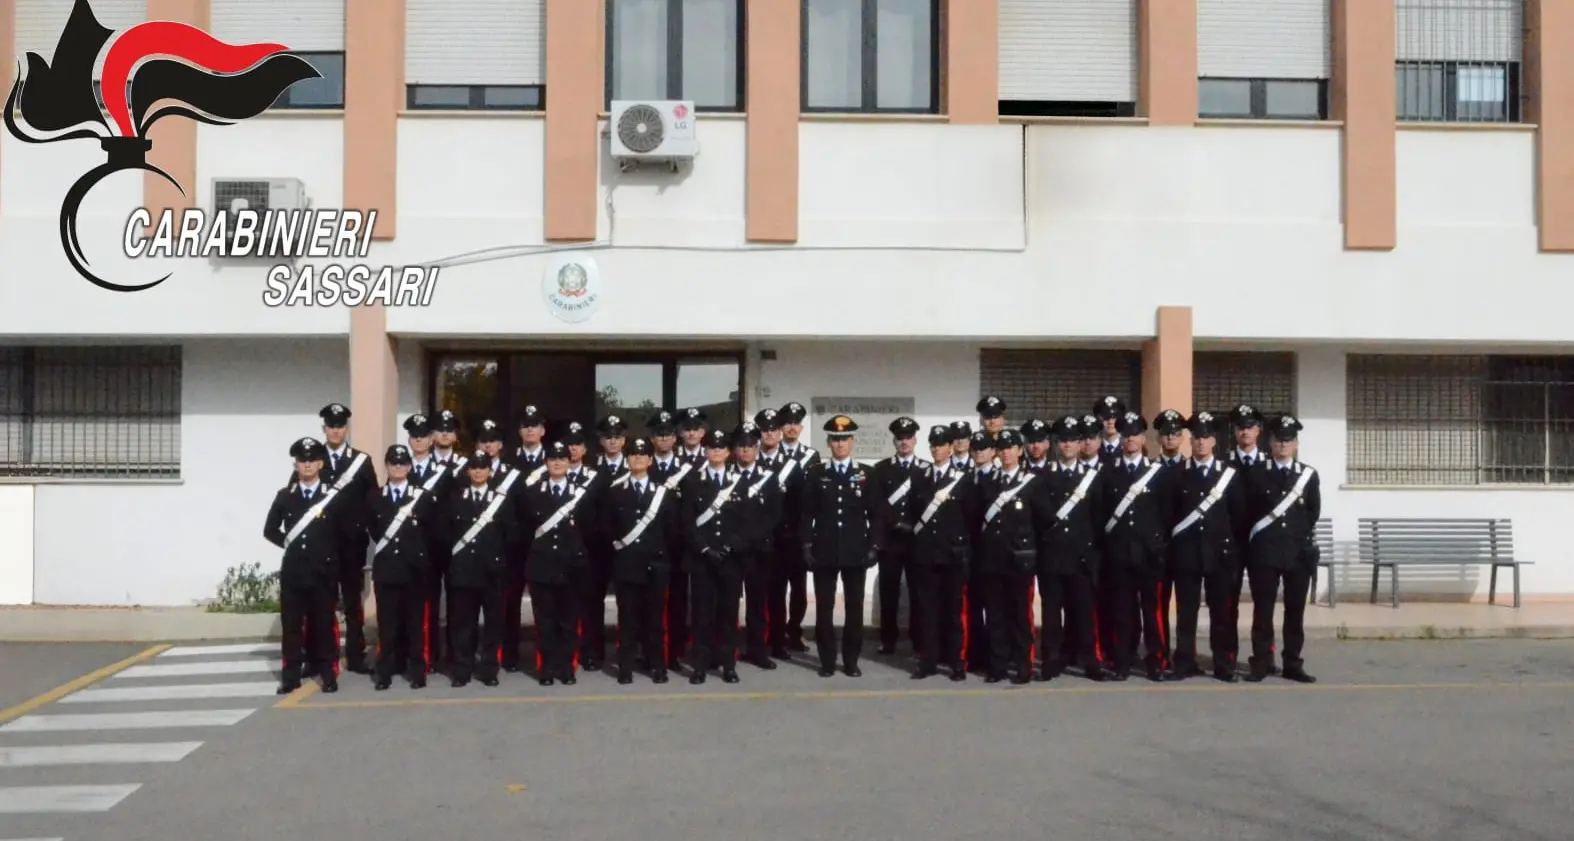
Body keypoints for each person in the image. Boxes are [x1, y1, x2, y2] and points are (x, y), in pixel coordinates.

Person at [264, 437, 353, 694]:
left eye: (312, 460)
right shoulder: (285, 496)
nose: (307, 465)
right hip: (294, 573)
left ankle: (328, 674)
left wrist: (329, 557)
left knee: (323, 626)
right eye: (302, 461)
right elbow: (269, 530)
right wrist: (290, 546)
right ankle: (290, 677)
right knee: (291, 628)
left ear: (320, 463)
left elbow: (344, 533)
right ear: (296, 464)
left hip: (322, 573)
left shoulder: (332, 497)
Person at [800, 415, 884, 677]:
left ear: (852, 441)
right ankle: (826, 660)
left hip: (855, 552)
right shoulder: (816, 474)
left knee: (854, 608)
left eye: (845, 439)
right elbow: (806, 513)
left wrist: (874, 547)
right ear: (828, 443)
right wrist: (805, 545)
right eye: (835, 440)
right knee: (824, 610)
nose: (840, 445)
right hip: (824, 551)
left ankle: (851, 660)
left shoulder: (866, 474)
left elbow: (876, 515)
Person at [1166, 411, 1244, 682]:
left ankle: (1223, 664)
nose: (1200, 442)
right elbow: (1170, 514)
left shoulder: (1229, 475)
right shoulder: (1178, 473)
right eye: (1196, 437)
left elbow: (1238, 516)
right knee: (1186, 612)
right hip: (1186, 553)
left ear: (1215, 441)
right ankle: (1184, 662)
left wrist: (1229, 548)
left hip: (1219, 555)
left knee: (1221, 613)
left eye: (1206, 437)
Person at [1243, 414, 1320, 684]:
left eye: (1288, 440)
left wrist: (1296, 538)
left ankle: (1292, 663)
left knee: (1294, 611)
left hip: (1297, 554)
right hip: (1265, 552)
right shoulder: (1256, 473)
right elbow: (1247, 512)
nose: (1283, 445)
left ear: (1296, 444)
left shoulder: (1308, 476)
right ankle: (1261, 662)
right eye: (1278, 440)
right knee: (1263, 611)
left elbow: (1312, 512)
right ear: (1271, 443)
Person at [1097, 412, 1172, 681]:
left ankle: (1156, 661)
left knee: (1152, 612)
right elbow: (1100, 511)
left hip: (1149, 554)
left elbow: (1166, 513)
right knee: (1122, 611)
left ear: (1143, 438)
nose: (1130, 439)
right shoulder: (1109, 472)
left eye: (1135, 434)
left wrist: (1157, 544)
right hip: (1118, 553)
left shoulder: (1157, 473)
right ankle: (1123, 661)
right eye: (1126, 435)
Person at [1033, 416, 1107, 682]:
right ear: (1057, 444)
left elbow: (1098, 520)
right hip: (1052, 558)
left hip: (1081, 558)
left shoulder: (1092, 478)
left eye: (1072, 440)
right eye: (1062, 440)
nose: (1067, 445)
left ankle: (1089, 660)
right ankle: (1052, 660)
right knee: (1052, 614)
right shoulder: (1043, 476)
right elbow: (1039, 518)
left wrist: (1093, 555)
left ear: (1079, 444)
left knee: (1084, 614)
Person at [602, 437, 678, 684]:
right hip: (626, 565)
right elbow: (606, 527)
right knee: (627, 619)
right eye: (633, 454)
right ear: (627, 460)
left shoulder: (662, 492)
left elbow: (671, 530)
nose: (637, 458)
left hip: (655, 564)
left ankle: (657, 665)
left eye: (642, 454)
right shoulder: (615, 492)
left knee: (654, 619)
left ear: (650, 460)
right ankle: (625, 667)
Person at [681, 429, 752, 683]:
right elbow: (687, 523)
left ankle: (728, 665)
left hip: (731, 561)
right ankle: (700, 665)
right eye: (712, 448)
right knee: (702, 616)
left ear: (728, 452)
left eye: (721, 448)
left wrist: (732, 545)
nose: (716, 452)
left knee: (728, 615)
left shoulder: (739, 481)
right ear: (705, 451)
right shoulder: (693, 482)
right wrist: (704, 549)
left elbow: (746, 521)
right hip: (702, 560)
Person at [520, 442, 592, 686]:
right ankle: (546, 669)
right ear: (546, 463)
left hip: (573, 568)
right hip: (542, 566)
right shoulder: (533, 493)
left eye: (562, 458)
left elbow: (591, 529)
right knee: (545, 622)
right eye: (552, 459)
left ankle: (567, 668)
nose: (557, 462)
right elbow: (523, 531)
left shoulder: (581, 494)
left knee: (569, 621)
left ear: (569, 462)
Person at [908, 424, 977, 680]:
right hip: (926, 555)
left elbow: (970, 518)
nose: (937, 449)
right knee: (928, 611)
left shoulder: (963, 479)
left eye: (942, 444)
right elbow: (914, 514)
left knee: (953, 612)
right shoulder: (920, 477)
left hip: (952, 556)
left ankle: (957, 662)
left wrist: (963, 551)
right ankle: (929, 661)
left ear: (951, 448)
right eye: (934, 444)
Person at [313, 403, 377, 676]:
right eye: (331, 426)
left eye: (339, 426)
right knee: (322, 603)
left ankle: (355, 654)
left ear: (346, 428)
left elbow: (373, 500)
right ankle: (322, 656)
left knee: (352, 603)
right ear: (324, 429)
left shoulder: (361, 461)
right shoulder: (312, 459)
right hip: (322, 545)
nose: (335, 430)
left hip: (352, 545)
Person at [367, 444, 436, 690]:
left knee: (416, 625)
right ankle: (384, 671)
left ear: (409, 467)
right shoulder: (375, 496)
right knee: (387, 625)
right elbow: (375, 531)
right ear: (386, 466)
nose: (397, 467)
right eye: (393, 463)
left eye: (402, 463)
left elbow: (431, 532)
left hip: (414, 570)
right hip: (387, 570)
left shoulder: (422, 497)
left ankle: (417, 671)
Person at [446, 454, 514, 688]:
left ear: (490, 471)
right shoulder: (455, 498)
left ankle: (489, 669)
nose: (477, 472)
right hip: (464, 570)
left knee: (493, 624)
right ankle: (462, 669)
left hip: (492, 571)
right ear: (467, 471)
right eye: (473, 468)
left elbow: (510, 533)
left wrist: (499, 559)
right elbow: (445, 533)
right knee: (463, 624)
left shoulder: (501, 500)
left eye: (482, 468)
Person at [977, 429, 1037, 684]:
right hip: (992, 559)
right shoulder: (987, 483)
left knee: (1020, 616)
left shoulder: (1032, 482)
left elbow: (1041, 521)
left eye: (1011, 447)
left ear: (1020, 451)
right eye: (1002, 448)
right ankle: (997, 665)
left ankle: (1023, 665)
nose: (1006, 452)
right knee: (996, 615)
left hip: (1019, 561)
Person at [1226, 403, 1275, 673]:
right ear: (1234, 432)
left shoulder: (1269, 465)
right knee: (1228, 604)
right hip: (1232, 543)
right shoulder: (1224, 464)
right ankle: (1229, 655)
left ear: (1258, 431)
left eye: (1250, 427)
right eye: (1240, 427)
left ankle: (1263, 657)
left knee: (1263, 604)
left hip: (1261, 545)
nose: (1245, 432)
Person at [872, 416, 927, 656]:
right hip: (891, 540)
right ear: (894, 441)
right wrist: (895, 523)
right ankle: (888, 639)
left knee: (919, 592)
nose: (904, 442)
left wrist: (912, 525)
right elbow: (877, 506)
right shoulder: (882, 469)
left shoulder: (926, 469)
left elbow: (927, 504)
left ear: (915, 440)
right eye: (900, 438)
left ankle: (918, 638)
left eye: (908, 438)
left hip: (916, 540)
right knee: (889, 593)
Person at [580, 414, 630, 671]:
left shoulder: (635, 465)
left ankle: (628, 652)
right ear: (600, 440)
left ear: (624, 440)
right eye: (608, 436)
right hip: (596, 547)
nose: (613, 441)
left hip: (626, 546)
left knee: (628, 602)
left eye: (617, 436)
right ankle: (593, 651)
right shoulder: (590, 467)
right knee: (591, 601)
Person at [733, 422, 783, 670]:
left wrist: (752, 539)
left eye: (750, 446)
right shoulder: (725, 476)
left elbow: (773, 515)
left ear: (757, 448)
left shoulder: (768, 479)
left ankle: (757, 650)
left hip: (759, 551)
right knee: (726, 604)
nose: (745, 451)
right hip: (730, 551)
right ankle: (726, 649)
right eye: (741, 446)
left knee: (757, 605)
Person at [648, 410, 696, 670]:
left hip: (677, 547)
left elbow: (691, 508)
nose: (664, 439)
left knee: (677, 601)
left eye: (667, 434)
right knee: (649, 603)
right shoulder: (643, 465)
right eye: (658, 434)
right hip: (648, 547)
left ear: (675, 438)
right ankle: (649, 651)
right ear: (652, 438)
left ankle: (675, 652)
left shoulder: (685, 470)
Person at [756, 407, 804, 659]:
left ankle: (777, 642)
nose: (770, 434)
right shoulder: (748, 462)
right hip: (754, 540)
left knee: (777, 594)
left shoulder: (792, 467)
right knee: (755, 594)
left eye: (774, 429)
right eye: (765, 430)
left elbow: (798, 506)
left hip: (782, 541)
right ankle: (755, 643)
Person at [775, 401, 818, 651]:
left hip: (799, 529)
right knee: (777, 587)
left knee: (799, 587)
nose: (792, 427)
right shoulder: (771, 453)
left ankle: (795, 630)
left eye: (796, 423)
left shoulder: (810, 456)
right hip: (776, 529)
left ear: (801, 427)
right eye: (787, 423)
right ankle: (778, 633)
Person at [964, 429, 996, 674]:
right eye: (975, 448)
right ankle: (975, 655)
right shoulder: (965, 479)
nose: (979, 452)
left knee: (996, 609)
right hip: (969, 554)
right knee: (972, 609)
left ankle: (996, 658)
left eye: (983, 448)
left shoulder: (999, 479)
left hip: (994, 555)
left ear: (993, 451)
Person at [512, 406, 548, 472]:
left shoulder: (550, 457)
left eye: (534, 425)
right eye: (525, 425)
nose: (530, 429)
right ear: (520, 431)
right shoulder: (509, 457)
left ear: (542, 431)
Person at [1093, 397, 1126, 462]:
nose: (1110, 422)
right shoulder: (1091, 449)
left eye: (1115, 417)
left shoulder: (1130, 448)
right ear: (1098, 420)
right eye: (1106, 417)